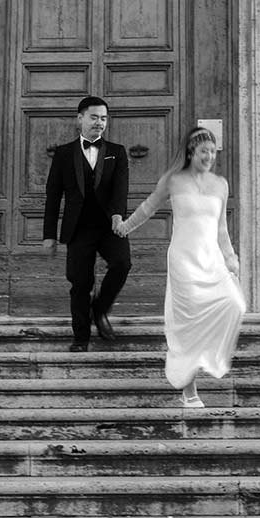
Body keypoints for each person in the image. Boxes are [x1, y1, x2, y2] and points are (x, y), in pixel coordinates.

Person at [115, 126, 245, 407]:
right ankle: (190, 390)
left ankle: (208, 357)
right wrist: (125, 227)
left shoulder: (220, 184)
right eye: (203, 151)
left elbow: (221, 228)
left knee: (235, 303)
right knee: (187, 324)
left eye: (212, 151)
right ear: (191, 152)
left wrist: (231, 257)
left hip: (210, 257)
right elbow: (148, 207)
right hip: (183, 259)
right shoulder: (173, 180)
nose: (209, 156)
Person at [42, 96, 131, 351]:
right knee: (80, 283)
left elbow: (120, 188)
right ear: (80, 118)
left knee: (122, 263)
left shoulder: (117, 152)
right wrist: (49, 234)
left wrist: (118, 215)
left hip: (109, 224)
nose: (99, 123)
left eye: (103, 118)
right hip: (78, 227)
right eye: (94, 117)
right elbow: (53, 195)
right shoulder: (63, 154)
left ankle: (99, 309)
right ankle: (80, 338)